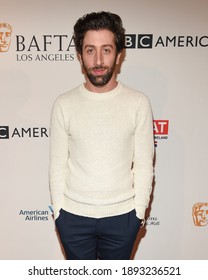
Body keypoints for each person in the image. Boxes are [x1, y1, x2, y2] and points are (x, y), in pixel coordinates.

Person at [49, 11, 154, 260]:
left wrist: (138, 213)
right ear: (79, 55)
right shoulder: (64, 104)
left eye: (106, 50)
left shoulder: (138, 103)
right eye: (90, 50)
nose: (98, 60)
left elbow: (143, 164)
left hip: (123, 219)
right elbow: (57, 166)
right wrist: (60, 215)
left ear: (119, 55)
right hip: (73, 220)